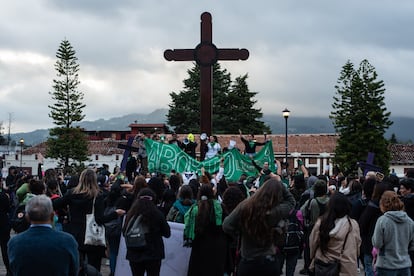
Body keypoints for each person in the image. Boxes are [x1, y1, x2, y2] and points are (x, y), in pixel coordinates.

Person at [53, 168, 125, 272]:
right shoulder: (97, 196)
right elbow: (100, 219)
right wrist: (115, 214)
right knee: (94, 267)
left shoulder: (71, 193)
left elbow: (55, 205)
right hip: (92, 235)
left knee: (76, 266)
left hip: (75, 234)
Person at [222, 178, 295, 276]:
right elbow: (291, 202)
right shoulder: (274, 211)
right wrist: (279, 184)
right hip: (268, 260)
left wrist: (241, 231)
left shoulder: (245, 206)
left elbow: (227, 225)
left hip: (248, 260)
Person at [8, 195, 79, 276]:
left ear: (27, 217)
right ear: (52, 216)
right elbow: (74, 271)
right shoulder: (68, 241)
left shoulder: (15, 243)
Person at [309, 192, 361, 275]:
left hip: (322, 265)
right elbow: (356, 247)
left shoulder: (322, 222)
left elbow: (313, 243)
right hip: (345, 267)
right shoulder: (352, 225)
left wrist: (312, 257)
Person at [123, 188, 171, 276]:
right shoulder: (157, 214)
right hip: (154, 254)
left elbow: (124, 232)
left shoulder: (131, 214)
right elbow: (167, 233)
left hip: (134, 253)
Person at [184, 184, 227, 276]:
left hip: (198, 246)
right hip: (216, 246)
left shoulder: (194, 208)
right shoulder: (219, 207)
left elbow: (188, 227)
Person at [372, 191, 414, 276]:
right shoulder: (409, 221)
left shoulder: (382, 220)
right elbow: (412, 245)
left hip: (386, 264)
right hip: (404, 264)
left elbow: (377, 243)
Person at [358, 182, 389, 276]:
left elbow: (362, 225)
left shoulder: (371, 206)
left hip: (370, 244)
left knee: (370, 269)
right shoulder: (391, 207)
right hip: (388, 245)